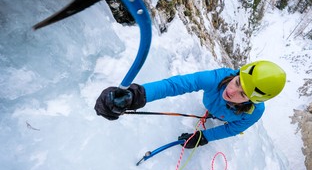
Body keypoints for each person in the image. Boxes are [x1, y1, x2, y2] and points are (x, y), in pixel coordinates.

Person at [94, 60, 286, 148]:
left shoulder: (254, 113)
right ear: (236, 74)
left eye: (242, 94)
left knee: (227, 119)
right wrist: (135, 96)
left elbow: (232, 130)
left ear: (251, 101)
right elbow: (176, 85)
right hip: (213, 108)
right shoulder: (217, 78)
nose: (232, 91)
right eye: (237, 82)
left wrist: (204, 137)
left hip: (224, 117)